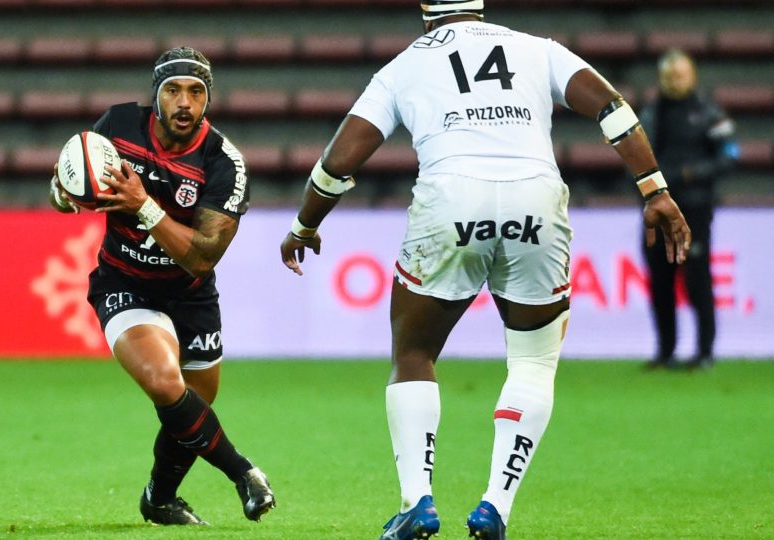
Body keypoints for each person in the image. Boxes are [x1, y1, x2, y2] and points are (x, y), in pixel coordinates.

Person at [278, 2, 690, 539]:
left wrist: (305, 225)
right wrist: (653, 187)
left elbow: (342, 157)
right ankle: (496, 504)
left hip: (453, 195)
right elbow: (611, 106)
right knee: (534, 362)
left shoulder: (402, 67)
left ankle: (417, 501)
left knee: (414, 351)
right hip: (534, 196)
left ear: (426, 10)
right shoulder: (537, 48)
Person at [49, 46, 275, 526]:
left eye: (196, 92)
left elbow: (203, 255)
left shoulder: (223, 164)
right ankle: (244, 474)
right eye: (173, 90)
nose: (184, 103)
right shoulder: (117, 125)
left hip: (191, 292)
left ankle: (159, 498)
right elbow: (69, 176)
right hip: (123, 281)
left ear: (208, 99)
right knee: (163, 382)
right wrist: (64, 193)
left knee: (193, 404)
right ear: (157, 94)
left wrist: (142, 204)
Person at [640, 48, 738, 370]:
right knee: (660, 281)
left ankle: (705, 352)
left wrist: (692, 174)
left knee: (697, 279)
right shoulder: (650, 113)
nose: (674, 81)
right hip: (658, 211)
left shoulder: (709, 113)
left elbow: (731, 156)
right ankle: (665, 351)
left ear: (692, 76)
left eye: (679, 75)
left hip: (694, 208)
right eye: (668, 75)